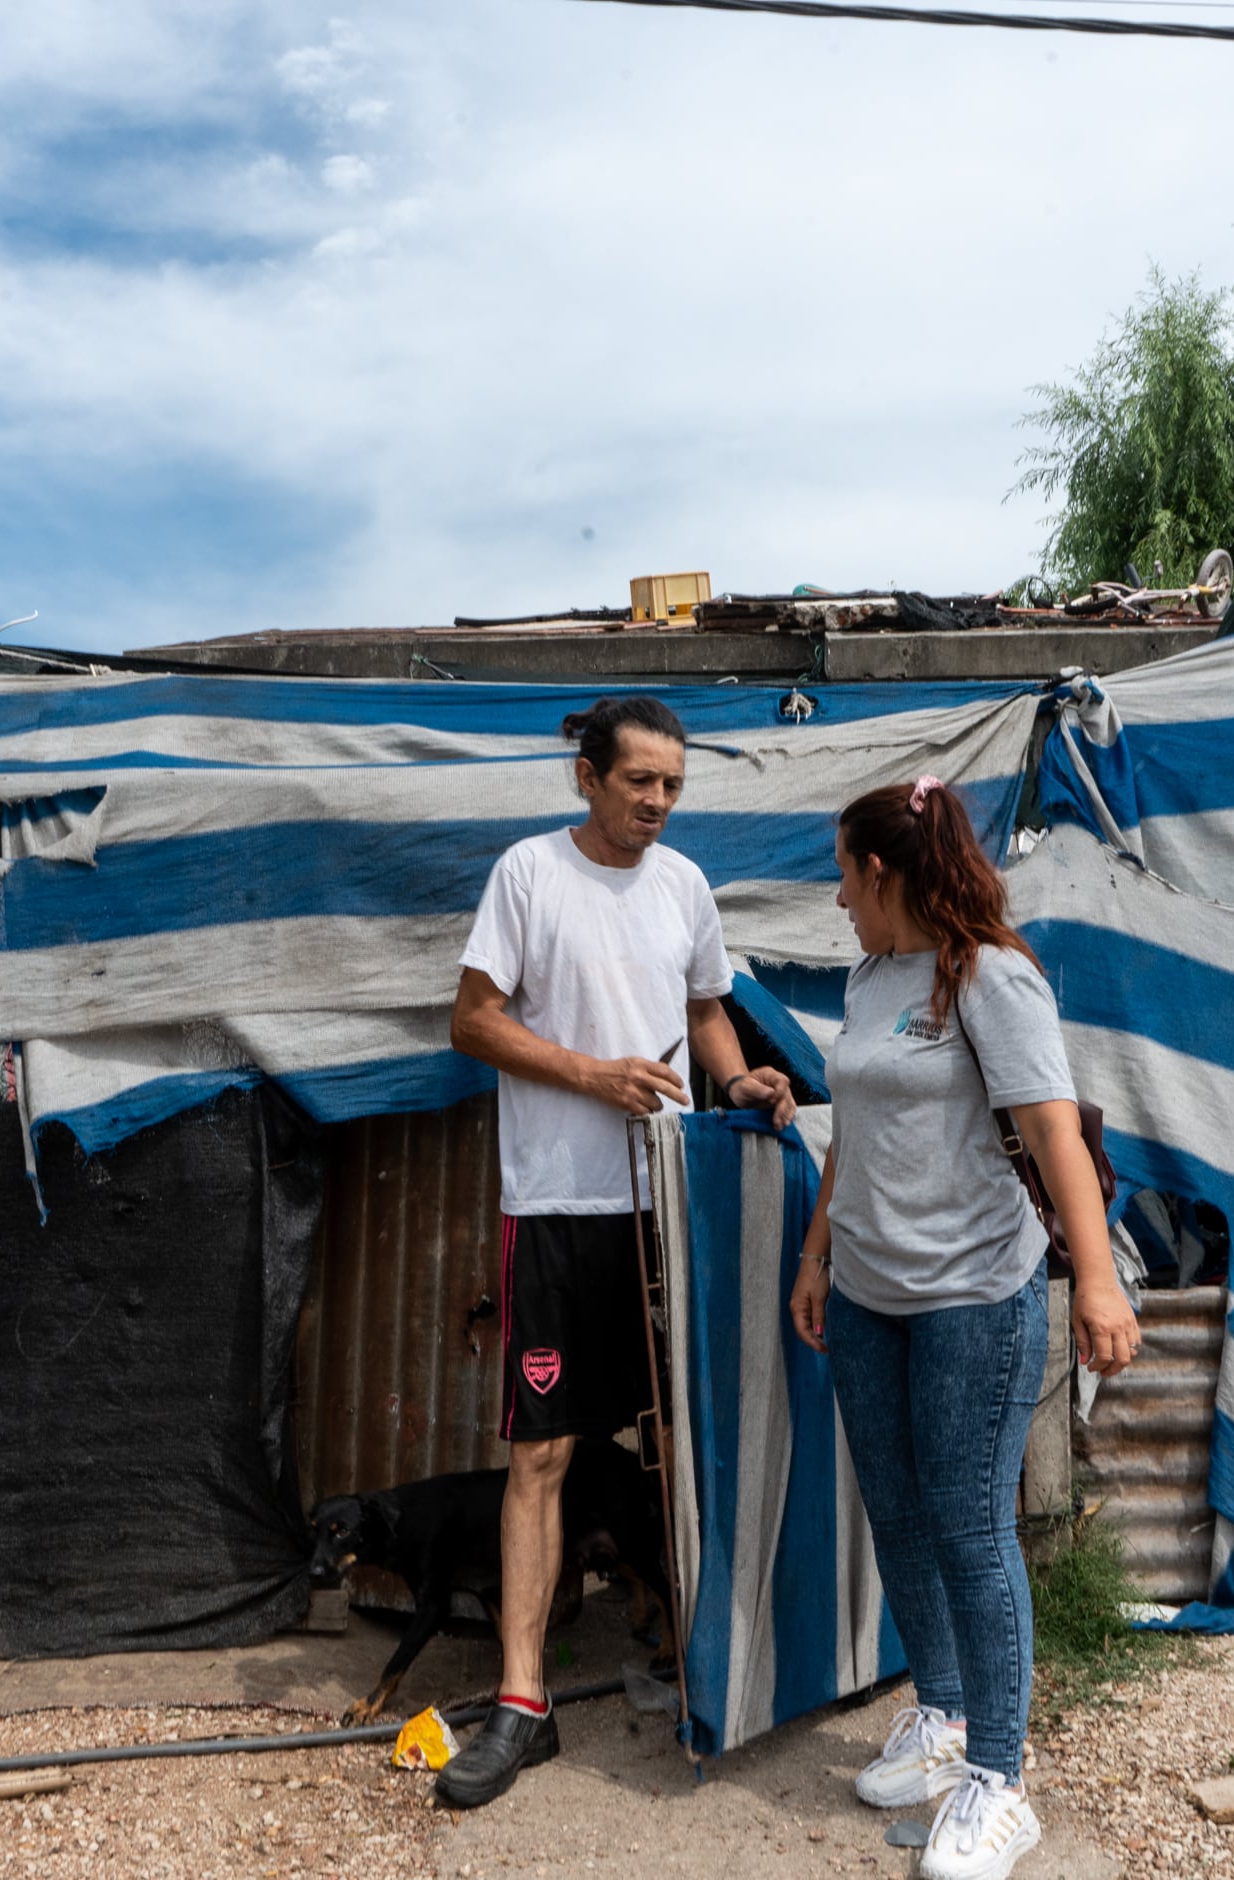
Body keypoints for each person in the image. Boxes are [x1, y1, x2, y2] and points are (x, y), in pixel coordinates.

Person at [437, 694, 798, 1809]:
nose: (657, 801)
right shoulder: (529, 874)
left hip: (666, 1201)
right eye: (639, 780)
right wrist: (595, 1074)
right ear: (587, 777)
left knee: (681, 1438)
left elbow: (706, 1014)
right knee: (541, 1454)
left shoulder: (686, 887)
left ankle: (702, 1663)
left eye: (672, 785)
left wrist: (735, 1079)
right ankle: (522, 1701)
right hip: (553, 1204)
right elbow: (471, 1020)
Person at [789, 775, 1140, 1880]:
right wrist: (817, 1250)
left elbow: (1053, 1131)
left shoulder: (992, 975)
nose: (837, 895)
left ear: (880, 871)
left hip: (973, 1297)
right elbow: (851, 1122)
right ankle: (941, 1718)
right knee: (896, 1511)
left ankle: (999, 1776)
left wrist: (1097, 1280)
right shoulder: (869, 974)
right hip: (868, 1293)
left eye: (843, 873)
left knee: (971, 1526)